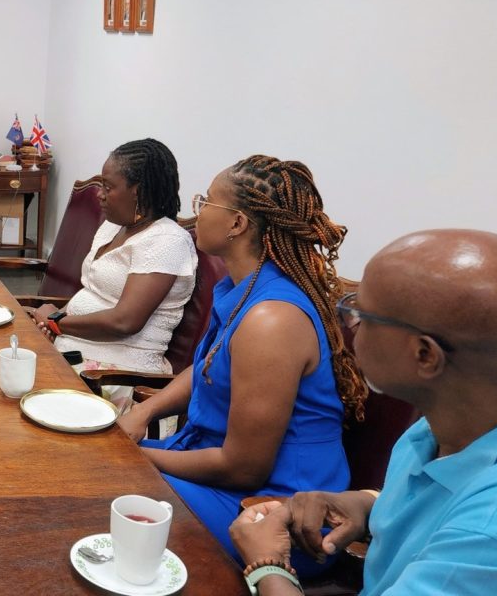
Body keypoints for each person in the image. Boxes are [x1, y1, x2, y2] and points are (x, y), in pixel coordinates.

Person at [230, 230, 497, 594]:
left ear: (425, 355)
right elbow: (441, 505)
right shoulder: (442, 428)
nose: (349, 327)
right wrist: (365, 504)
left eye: (360, 314)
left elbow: (475, 518)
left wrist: (267, 565)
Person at [117, 155, 365, 574]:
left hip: (274, 511)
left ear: (237, 224)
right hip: (215, 468)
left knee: (100, 488)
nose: (194, 216)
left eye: (206, 202)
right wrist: (145, 410)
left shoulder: (271, 320)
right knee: (84, 465)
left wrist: (132, 455)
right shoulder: (240, 287)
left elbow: (243, 468)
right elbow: (209, 367)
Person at [29, 139, 196, 378]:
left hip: (115, 373)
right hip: (73, 349)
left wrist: (57, 322)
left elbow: (125, 322)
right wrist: (53, 323)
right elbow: (90, 291)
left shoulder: (167, 240)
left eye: (108, 187)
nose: (100, 195)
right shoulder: (113, 227)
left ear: (139, 190)